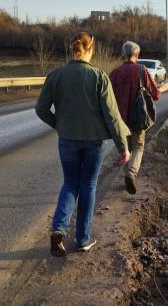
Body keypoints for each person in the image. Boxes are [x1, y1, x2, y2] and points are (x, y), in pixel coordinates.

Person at [35, 32, 130, 257]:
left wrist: (60, 125)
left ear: (73, 49)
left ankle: (59, 229)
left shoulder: (56, 75)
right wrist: (123, 146)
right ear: (92, 50)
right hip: (94, 143)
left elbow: (40, 109)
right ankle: (83, 239)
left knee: (70, 183)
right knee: (87, 185)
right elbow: (112, 116)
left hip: (67, 140)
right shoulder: (98, 77)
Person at [109, 41, 168, 194]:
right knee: (138, 147)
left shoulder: (115, 73)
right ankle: (131, 174)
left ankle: (126, 178)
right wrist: (163, 88)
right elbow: (155, 95)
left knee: (125, 149)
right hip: (138, 118)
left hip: (119, 120)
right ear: (137, 55)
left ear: (124, 54)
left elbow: (108, 98)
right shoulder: (142, 70)